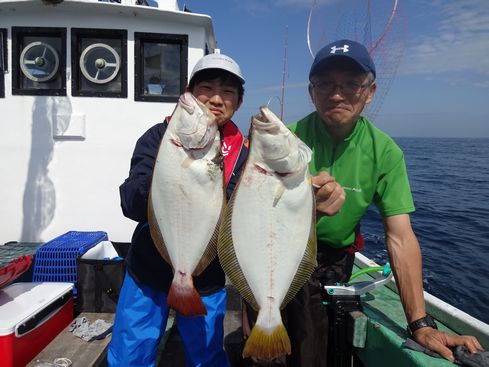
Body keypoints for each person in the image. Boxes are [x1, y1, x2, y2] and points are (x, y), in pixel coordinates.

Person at [244, 39, 484, 366]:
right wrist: (302, 209)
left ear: (369, 92)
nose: (337, 93)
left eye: (351, 84)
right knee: (261, 353)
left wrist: (420, 323)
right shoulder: (285, 142)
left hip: (333, 263)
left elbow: (400, 237)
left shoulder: (385, 153)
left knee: (314, 351)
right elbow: (251, 218)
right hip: (276, 255)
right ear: (312, 93)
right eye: (325, 84)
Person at [108, 53, 248, 367]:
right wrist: (163, 184)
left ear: (238, 102)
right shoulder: (159, 138)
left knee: (207, 355)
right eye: (206, 87)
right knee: (131, 354)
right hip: (148, 268)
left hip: (206, 274)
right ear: (189, 91)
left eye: (227, 92)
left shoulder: (247, 155)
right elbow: (130, 201)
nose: (215, 98)